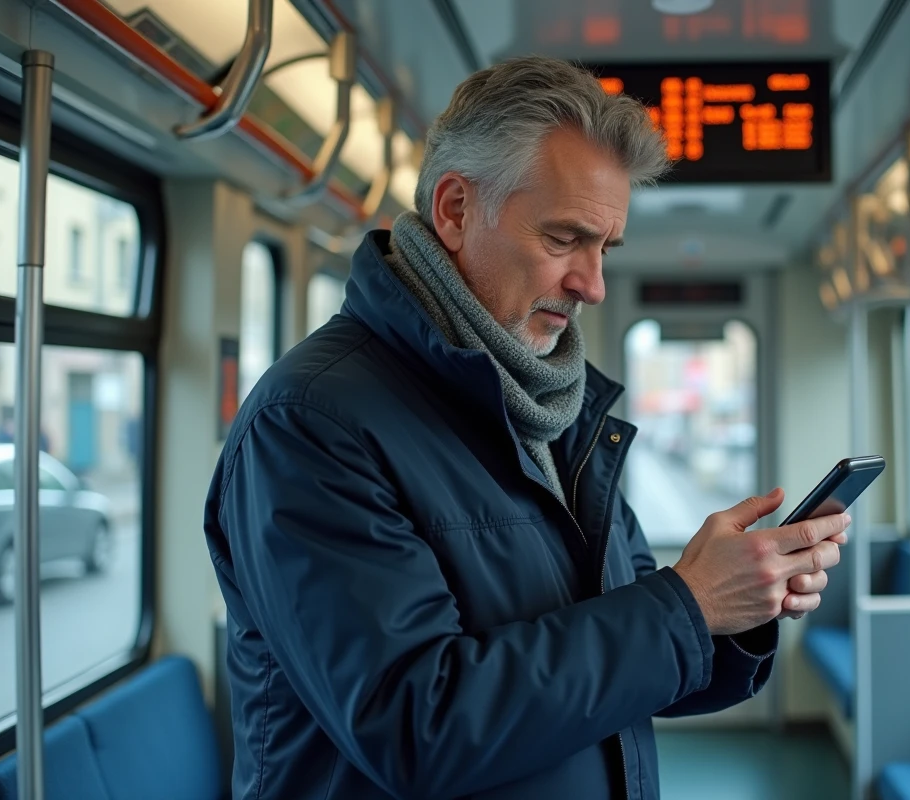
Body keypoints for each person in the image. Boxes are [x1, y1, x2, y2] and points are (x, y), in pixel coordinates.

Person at [203, 55, 849, 800]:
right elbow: (417, 727)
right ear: (454, 210)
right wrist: (688, 603)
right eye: (564, 239)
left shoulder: (553, 408)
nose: (594, 285)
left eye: (605, 249)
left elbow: (624, 658)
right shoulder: (311, 422)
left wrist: (735, 604)